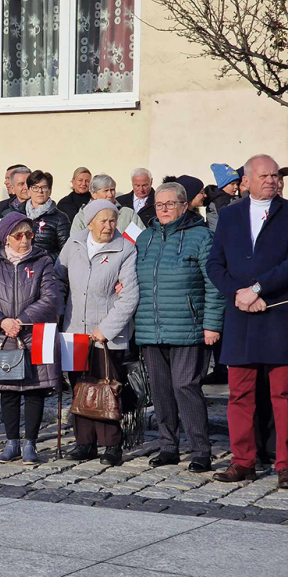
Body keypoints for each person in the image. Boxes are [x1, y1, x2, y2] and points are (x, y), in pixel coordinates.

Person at [207, 154, 288, 488]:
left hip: (278, 315)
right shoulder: (229, 216)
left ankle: (284, 465)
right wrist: (239, 294)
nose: (272, 180)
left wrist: (257, 290)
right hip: (240, 317)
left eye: (276, 176)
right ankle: (244, 461)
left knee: (282, 395)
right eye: (265, 176)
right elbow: (214, 264)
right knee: (239, 395)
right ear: (248, 181)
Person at [134, 182, 225, 473]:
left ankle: (201, 450)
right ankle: (168, 446)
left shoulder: (202, 237)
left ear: (184, 206)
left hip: (188, 327)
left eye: (170, 204)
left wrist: (212, 325)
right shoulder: (144, 238)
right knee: (160, 390)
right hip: (151, 326)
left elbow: (214, 286)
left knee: (185, 387)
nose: (162, 209)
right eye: (159, 204)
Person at [55, 200, 139, 466]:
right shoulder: (74, 243)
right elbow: (58, 279)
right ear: (89, 222)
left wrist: (107, 328)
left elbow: (129, 295)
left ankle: (112, 444)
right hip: (75, 331)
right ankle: (84, 443)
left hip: (106, 335)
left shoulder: (125, 248)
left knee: (107, 389)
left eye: (112, 220)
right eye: (102, 221)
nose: (108, 226)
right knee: (80, 387)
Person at [0, 214, 59, 464]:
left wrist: (20, 320)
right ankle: (11, 442)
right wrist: (2, 321)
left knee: (35, 390)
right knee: (8, 391)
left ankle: (30, 443)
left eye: (29, 234)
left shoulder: (43, 262)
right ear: (6, 239)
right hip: (3, 337)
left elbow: (51, 298)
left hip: (33, 335)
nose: (24, 240)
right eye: (18, 236)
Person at [18, 171, 70, 261]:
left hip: (46, 269)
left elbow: (66, 251)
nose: (40, 191)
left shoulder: (60, 218)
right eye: (35, 187)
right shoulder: (18, 214)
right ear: (29, 190)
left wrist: (43, 259)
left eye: (44, 187)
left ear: (50, 191)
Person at [70, 174, 146, 234]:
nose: (110, 194)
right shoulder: (82, 217)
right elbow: (76, 245)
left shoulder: (128, 214)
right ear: (94, 194)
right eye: (106, 191)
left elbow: (143, 240)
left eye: (112, 190)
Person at [205, 164, 240, 232]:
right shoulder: (220, 200)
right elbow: (229, 218)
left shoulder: (227, 197)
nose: (236, 187)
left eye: (237, 184)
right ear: (223, 184)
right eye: (232, 184)